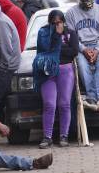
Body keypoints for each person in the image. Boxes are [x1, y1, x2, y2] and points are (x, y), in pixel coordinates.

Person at [36, 10, 79, 149]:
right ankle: (47, 137)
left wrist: (58, 49)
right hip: (47, 72)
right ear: (49, 23)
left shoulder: (71, 32)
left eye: (59, 23)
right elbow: (44, 50)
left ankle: (64, 136)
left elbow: (74, 51)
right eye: (53, 23)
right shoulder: (43, 33)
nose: (56, 25)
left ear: (63, 22)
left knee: (65, 104)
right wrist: (57, 37)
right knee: (49, 104)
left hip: (65, 70)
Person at [65, 0, 99, 112]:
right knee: (82, 66)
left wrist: (97, 50)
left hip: (98, 46)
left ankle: (92, 99)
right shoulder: (71, 13)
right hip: (80, 47)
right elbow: (70, 37)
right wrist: (83, 49)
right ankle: (96, 98)